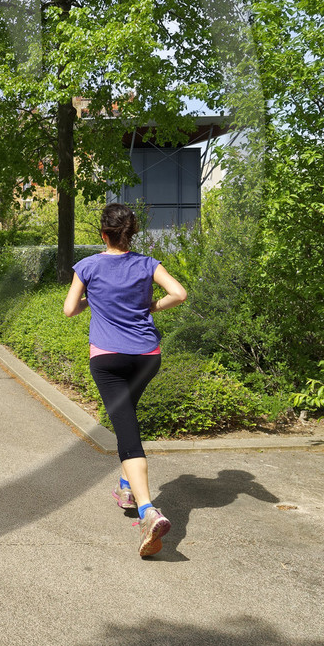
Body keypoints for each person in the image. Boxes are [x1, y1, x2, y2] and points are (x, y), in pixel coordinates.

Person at [63, 202, 188, 557]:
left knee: (128, 435)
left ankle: (148, 511)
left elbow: (69, 308)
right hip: (147, 358)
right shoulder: (148, 263)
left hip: (108, 359)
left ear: (103, 234)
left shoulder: (87, 266)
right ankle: (125, 486)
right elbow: (178, 294)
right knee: (127, 419)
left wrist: (91, 300)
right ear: (130, 233)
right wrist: (152, 307)